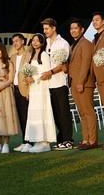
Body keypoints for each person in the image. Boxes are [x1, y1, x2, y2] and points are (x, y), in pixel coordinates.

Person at [41, 18, 73, 150]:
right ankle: (61, 138)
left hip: (60, 82)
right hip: (48, 84)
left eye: (47, 28)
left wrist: (51, 72)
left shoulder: (63, 43)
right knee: (55, 113)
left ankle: (68, 140)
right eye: (44, 29)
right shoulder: (46, 43)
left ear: (54, 28)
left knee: (64, 112)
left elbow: (64, 64)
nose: (45, 31)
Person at [23, 33, 57, 153]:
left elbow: (46, 73)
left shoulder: (44, 55)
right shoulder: (31, 56)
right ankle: (37, 140)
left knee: (42, 112)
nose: (35, 42)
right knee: (34, 114)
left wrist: (34, 78)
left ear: (42, 43)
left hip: (41, 88)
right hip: (33, 89)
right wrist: (28, 85)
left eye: (37, 40)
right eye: (33, 40)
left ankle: (44, 142)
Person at [68, 18, 98, 149]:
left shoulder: (85, 43)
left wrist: (80, 82)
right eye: (71, 28)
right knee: (82, 112)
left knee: (88, 112)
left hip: (84, 83)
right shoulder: (73, 45)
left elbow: (86, 63)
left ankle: (92, 140)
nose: (73, 31)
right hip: (74, 82)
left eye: (76, 28)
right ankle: (86, 139)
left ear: (82, 30)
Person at [10, 33, 32, 152]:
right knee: (20, 117)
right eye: (13, 42)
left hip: (24, 89)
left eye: (17, 41)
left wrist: (29, 90)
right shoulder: (12, 57)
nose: (15, 43)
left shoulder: (29, 55)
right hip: (15, 89)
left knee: (26, 116)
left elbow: (30, 73)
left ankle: (29, 141)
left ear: (23, 41)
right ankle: (24, 141)